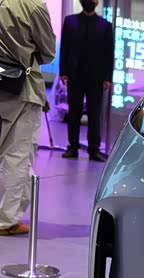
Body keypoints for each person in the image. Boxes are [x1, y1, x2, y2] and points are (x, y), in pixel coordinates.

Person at [0, 0, 56, 236]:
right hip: (21, 87)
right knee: (17, 154)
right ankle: (5, 220)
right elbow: (48, 51)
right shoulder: (32, 5)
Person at [60, 0, 113, 161]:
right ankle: (73, 147)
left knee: (94, 114)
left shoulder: (105, 26)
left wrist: (107, 78)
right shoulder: (70, 21)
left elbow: (109, 54)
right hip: (74, 76)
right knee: (74, 113)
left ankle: (94, 149)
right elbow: (64, 48)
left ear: (96, 3)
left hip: (96, 78)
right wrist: (63, 72)